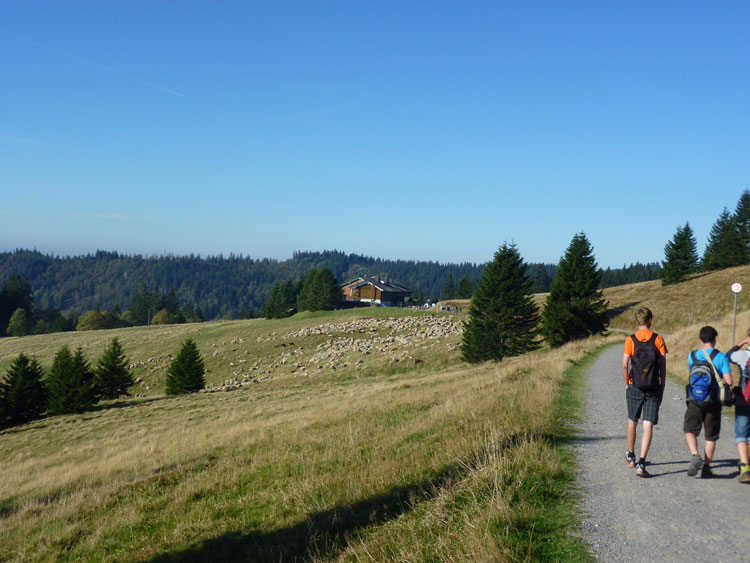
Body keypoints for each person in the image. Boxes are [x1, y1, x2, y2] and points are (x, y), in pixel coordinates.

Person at [623, 307, 667, 477]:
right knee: (647, 424)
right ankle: (641, 463)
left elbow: (625, 365)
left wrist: (627, 384)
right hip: (653, 387)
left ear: (637, 321)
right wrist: (661, 385)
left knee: (632, 421)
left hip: (634, 386)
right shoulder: (658, 339)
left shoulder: (630, 340)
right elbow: (662, 366)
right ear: (650, 320)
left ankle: (631, 455)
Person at [684, 326, 733, 479]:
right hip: (713, 402)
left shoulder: (691, 356)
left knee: (689, 430)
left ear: (701, 339)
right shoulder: (721, 357)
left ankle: (694, 455)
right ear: (715, 338)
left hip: (694, 400)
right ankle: (706, 467)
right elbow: (729, 381)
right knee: (710, 436)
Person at [727, 329, 750, 484]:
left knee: (741, 433)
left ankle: (745, 466)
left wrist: (742, 342)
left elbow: (727, 355)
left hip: (744, 398)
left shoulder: (742, 355)